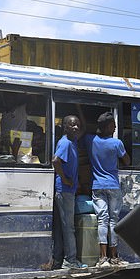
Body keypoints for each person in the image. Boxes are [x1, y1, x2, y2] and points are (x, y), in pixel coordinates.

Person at [85, 111, 130, 268]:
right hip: (113, 186)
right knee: (113, 220)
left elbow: (85, 130)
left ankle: (102, 258)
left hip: (97, 186)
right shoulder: (116, 143)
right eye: (112, 125)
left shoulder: (90, 140)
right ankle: (114, 256)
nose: (115, 127)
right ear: (106, 127)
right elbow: (127, 160)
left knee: (102, 220)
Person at [49, 115, 88, 270]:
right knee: (69, 228)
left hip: (67, 191)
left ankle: (59, 259)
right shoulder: (65, 143)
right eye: (72, 125)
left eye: (77, 125)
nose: (76, 128)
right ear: (65, 127)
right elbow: (55, 160)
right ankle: (70, 260)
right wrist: (65, 179)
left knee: (62, 227)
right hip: (65, 191)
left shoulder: (73, 141)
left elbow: (83, 130)